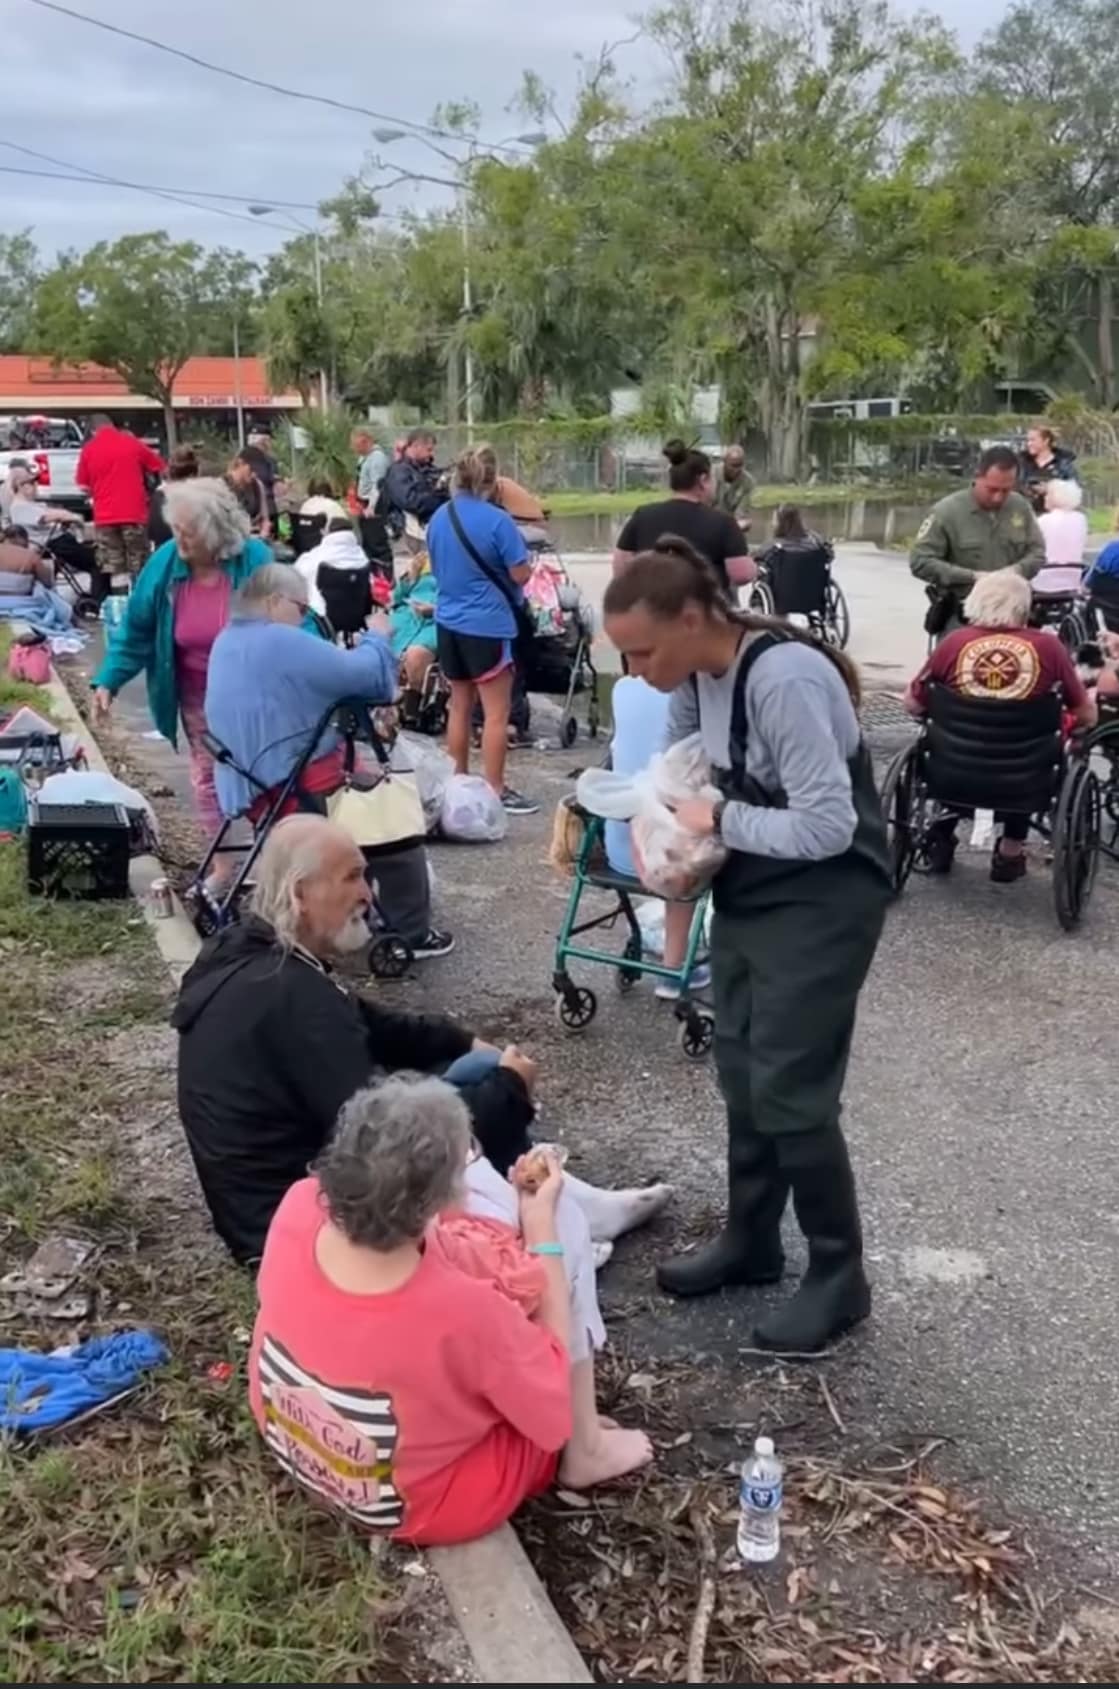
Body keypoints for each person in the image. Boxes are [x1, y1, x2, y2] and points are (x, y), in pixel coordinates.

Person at [603, 537, 892, 1353]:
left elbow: (828, 824)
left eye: (643, 651)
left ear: (693, 617)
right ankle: (752, 1239)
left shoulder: (785, 678)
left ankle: (840, 1274)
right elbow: (685, 779)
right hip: (753, 890)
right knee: (739, 1060)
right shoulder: (695, 677)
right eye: (624, 655)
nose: (636, 670)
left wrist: (720, 822)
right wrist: (667, 834)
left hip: (826, 896)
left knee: (791, 1081)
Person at [173, 814, 671, 1264]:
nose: (369, 893)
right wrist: (509, 1091)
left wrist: (465, 1042)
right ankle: (544, 1233)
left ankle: (567, 1207)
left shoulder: (259, 955)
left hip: (271, 1203)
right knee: (475, 1100)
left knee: (472, 1070)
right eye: (351, 878)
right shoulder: (292, 998)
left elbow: (374, 1025)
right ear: (301, 894)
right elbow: (385, 1144)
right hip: (296, 1233)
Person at [250, 1076, 653, 1545]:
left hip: (298, 1439)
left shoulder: (299, 1203)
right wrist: (541, 1227)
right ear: (439, 1200)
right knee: (564, 1235)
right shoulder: (462, 1309)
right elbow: (549, 1413)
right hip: (422, 1502)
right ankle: (588, 1451)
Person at [205, 565, 452, 960]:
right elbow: (369, 678)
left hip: (250, 785)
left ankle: (358, 906)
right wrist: (378, 635)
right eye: (302, 608)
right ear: (274, 602)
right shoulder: (278, 642)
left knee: (367, 780)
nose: (304, 619)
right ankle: (411, 932)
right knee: (396, 821)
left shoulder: (226, 641)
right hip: (297, 787)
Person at [91, 478, 272, 845]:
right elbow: (136, 630)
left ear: (215, 532)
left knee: (263, 773)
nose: (179, 540)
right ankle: (220, 863)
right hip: (197, 693)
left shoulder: (255, 560)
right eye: (175, 530)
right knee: (207, 775)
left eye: (188, 533)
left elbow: (293, 622)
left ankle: (270, 854)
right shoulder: (165, 563)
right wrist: (108, 680)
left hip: (254, 691)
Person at [904, 569, 1095, 882]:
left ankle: (940, 835)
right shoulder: (1049, 648)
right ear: (1025, 606)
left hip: (953, 771)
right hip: (1026, 776)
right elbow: (1084, 713)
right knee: (1038, 751)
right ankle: (1009, 850)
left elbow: (913, 703)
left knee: (944, 742)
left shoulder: (954, 643)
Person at [426, 447, 539, 817]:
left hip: (448, 623)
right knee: (495, 714)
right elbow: (520, 574)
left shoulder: (439, 518)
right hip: (488, 626)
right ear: (493, 482)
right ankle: (495, 787)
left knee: (458, 706)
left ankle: (457, 782)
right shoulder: (498, 521)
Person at [604, 674, 711, 1001]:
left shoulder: (623, 689)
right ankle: (673, 969)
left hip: (619, 853)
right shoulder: (702, 697)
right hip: (667, 861)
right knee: (689, 843)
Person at [910, 445, 1045, 637]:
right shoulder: (946, 512)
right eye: (992, 489)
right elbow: (920, 561)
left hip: (1013, 618)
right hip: (963, 617)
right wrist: (972, 576)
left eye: (1005, 490)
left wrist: (1015, 571)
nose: (998, 497)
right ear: (977, 477)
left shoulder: (1019, 507)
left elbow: (1037, 553)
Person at [612, 441, 755, 595]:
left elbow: (620, 568)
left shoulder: (642, 516)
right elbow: (742, 575)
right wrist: (753, 565)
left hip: (653, 610)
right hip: (704, 612)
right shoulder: (725, 524)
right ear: (703, 480)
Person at [75, 413, 164, 579]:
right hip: (134, 514)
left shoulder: (88, 449)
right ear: (112, 425)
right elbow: (157, 465)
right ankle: (139, 599)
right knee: (139, 564)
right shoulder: (131, 443)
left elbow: (83, 485)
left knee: (114, 567)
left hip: (105, 518)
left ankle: (119, 599)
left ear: (93, 430)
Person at [754, 505, 835, 618]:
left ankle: (778, 622)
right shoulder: (815, 542)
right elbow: (829, 556)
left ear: (779, 523)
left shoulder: (773, 546)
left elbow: (757, 559)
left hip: (783, 598)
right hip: (813, 596)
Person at [294, 516, 372, 622]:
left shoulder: (315, 557)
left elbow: (295, 576)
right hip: (356, 617)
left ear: (328, 533)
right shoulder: (362, 557)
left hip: (324, 618)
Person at [390, 547, 438, 703]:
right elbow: (397, 598)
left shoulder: (464, 566)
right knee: (377, 641)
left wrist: (436, 610)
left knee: (415, 654)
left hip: (439, 620)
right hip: (407, 614)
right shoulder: (423, 560)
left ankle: (413, 702)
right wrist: (409, 577)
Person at [379, 429, 448, 530]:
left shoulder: (428, 468)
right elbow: (410, 502)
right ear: (416, 446)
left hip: (423, 529)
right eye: (428, 450)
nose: (431, 454)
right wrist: (440, 498)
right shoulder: (398, 471)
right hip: (405, 532)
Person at [1035, 479, 1088, 599]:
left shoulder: (1042, 521)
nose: (1045, 498)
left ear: (1055, 497)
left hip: (1044, 580)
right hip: (1073, 579)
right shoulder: (1081, 520)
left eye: (1048, 494)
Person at [148, 445, 199, 550]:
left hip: (162, 554)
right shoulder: (199, 497)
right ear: (194, 473)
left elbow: (152, 532)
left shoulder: (159, 495)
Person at [1019, 425, 1077, 514]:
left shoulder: (1063, 464)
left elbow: (1073, 489)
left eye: (1033, 440)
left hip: (1056, 515)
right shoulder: (1022, 462)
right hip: (1028, 513)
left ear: (1046, 441)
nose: (1029, 444)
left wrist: (1050, 489)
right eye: (1028, 440)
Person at [241, 427, 280, 531]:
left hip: (245, 509)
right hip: (267, 509)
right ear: (265, 441)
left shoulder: (241, 457)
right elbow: (277, 488)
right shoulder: (269, 461)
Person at [226, 451, 271, 537]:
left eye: (258, 471)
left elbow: (265, 519)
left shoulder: (257, 485)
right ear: (240, 463)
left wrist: (264, 532)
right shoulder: (223, 487)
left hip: (254, 537)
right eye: (252, 470)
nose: (254, 475)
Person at [710, 445, 754, 527]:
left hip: (731, 524)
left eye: (740, 465)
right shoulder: (711, 474)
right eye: (733, 465)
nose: (736, 470)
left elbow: (741, 511)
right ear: (724, 462)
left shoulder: (747, 481)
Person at [353, 428, 389, 511]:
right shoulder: (364, 457)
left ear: (366, 442)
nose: (356, 449)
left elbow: (377, 485)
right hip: (363, 501)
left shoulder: (377, 458)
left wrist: (371, 507)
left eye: (357, 446)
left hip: (373, 503)